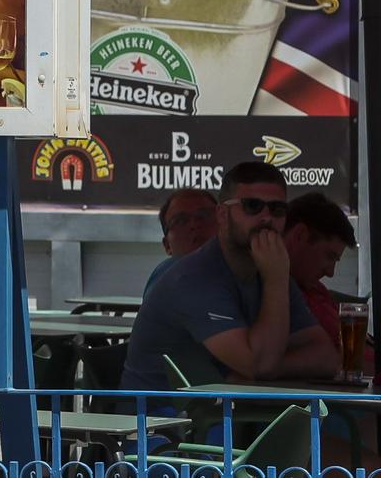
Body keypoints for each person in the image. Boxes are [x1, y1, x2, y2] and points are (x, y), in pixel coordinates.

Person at [121, 160, 339, 391]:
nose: (267, 218)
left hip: (226, 410)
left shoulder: (270, 267)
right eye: (252, 206)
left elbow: (326, 356)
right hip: (163, 417)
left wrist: (267, 369)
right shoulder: (195, 277)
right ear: (222, 215)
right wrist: (275, 280)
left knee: (338, 421)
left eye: (277, 209)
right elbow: (259, 364)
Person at [284, 193, 357, 341]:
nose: (330, 272)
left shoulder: (315, 288)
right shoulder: (265, 293)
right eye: (330, 256)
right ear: (300, 235)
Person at [143, 187, 217, 293]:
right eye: (181, 221)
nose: (194, 225)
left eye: (204, 216)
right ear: (167, 245)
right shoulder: (164, 281)